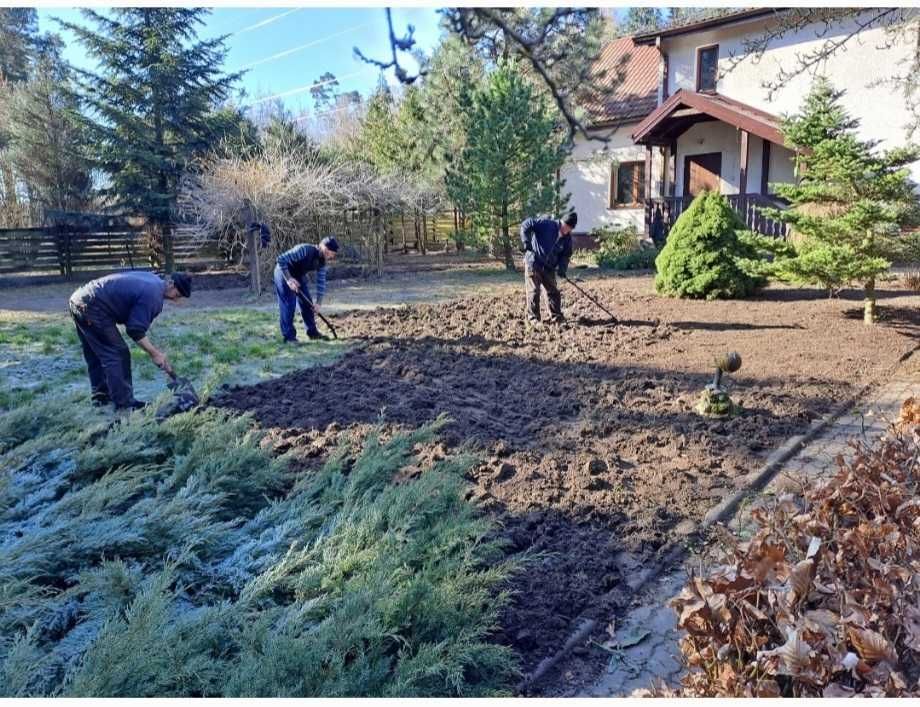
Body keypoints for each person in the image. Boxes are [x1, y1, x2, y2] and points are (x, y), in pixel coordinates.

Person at [69, 271, 192, 410]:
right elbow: (135, 330)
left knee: (97, 353)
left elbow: (132, 319)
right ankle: (125, 405)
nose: (176, 300)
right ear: (171, 284)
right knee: (118, 354)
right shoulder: (153, 296)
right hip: (92, 307)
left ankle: (101, 398)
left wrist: (154, 351)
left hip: (79, 299)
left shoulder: (154, 281)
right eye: (177, 295)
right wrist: (155, 353)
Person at [274, 235, 338, 343]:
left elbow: (321, 282)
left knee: (308, 304)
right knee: (288, 305)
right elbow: (280, 259)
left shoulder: (321, 262)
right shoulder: (304, 250)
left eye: (331, 253)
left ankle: (312, 333)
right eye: (328, 251)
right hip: (283, 272)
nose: (330, 255)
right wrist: (289, 279)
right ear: (322, 246)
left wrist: (318, 303)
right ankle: (289, 337)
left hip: (298, 275)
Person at [520, 212, 577, 326]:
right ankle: (533, 320)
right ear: (562, 222)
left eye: (570, 228)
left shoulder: (567, 239)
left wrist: (562, 268)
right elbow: (526, 224)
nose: (567, 230)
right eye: (566, 226)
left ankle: (557, 317)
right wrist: (526, 242)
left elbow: (566, 255)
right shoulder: (547, 224)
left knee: (553, 292)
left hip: (549, 267)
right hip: (533, 262)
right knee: (534, 291)